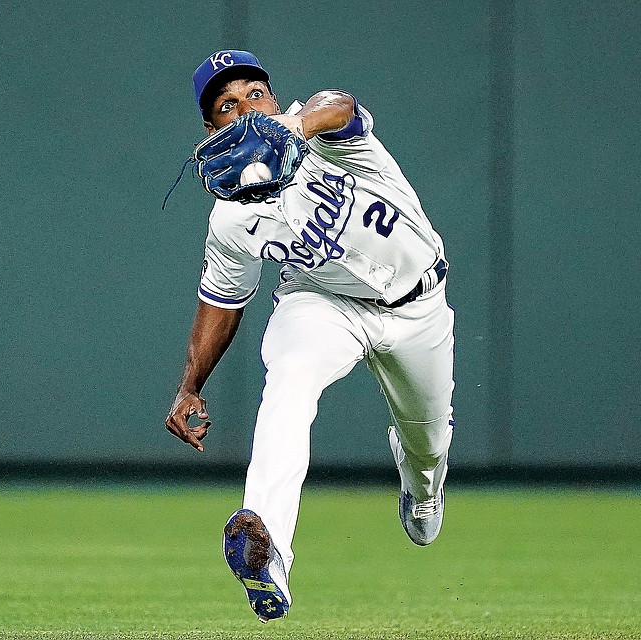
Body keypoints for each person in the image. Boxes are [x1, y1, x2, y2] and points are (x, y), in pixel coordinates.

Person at [165, 50, 455, 623]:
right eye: (227, 104)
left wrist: (291, 127)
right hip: (324, 305)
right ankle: (267, 549)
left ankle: (422, 491)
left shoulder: (322, 132)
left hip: (418, 306)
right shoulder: (230, 218)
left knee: (429, 449)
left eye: (254, 94)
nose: (245, 107)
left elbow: (336, 106)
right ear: (212, 129)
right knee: (289, 384)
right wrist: (190, 386)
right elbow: (221, 301)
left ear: (273, 98)